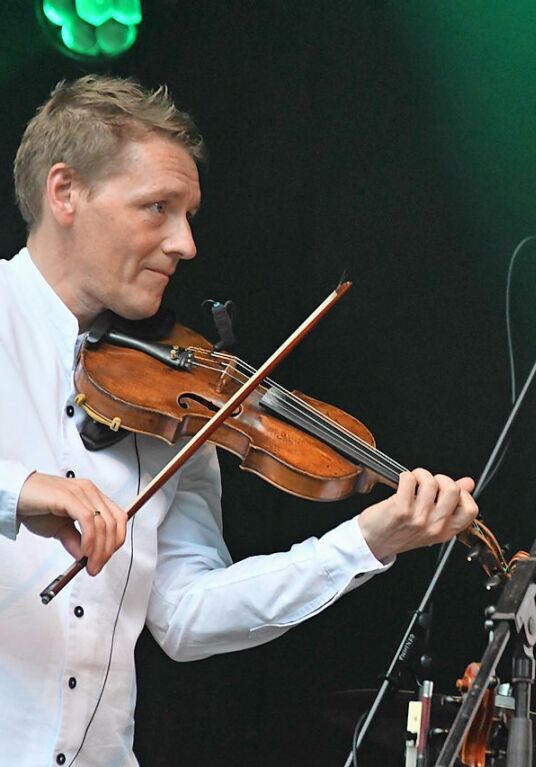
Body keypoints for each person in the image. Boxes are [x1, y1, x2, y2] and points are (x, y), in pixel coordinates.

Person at [0, 75, 479, 766]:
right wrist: (21, 491)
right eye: (157, 208)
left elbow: (187, 616)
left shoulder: (175, 396)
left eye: (189, 213)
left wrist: (363, 542)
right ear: (65, 191)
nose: (185, 243)